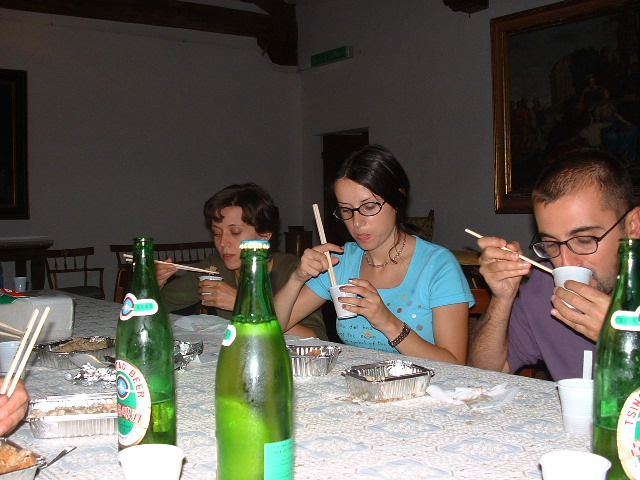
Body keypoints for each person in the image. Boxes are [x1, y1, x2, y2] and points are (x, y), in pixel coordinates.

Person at [274, 145, 474, 364]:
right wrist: (297, 278)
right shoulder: (340, 261)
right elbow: (269, 327)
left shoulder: (438, 265)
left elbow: (455, 364)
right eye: (346, 210)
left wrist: (388, 322)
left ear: (398, 198)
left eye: (369, 207)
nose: (357, 223)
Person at [468, 149, 640, 381]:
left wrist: (623, 338)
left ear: (633, 226)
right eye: (551, 244)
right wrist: (502, 298)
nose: (564, 263)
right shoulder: (543, 285)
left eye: (584, 240)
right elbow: (483, 374)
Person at [157, 183, 328, 340]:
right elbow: (159, 306)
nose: (223, 243)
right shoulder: (213, 268)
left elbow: (317, 339)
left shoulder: (295, 271)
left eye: (235, 232)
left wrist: (245, 305)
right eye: (217, 233)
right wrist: (154, 284)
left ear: (264, 236)